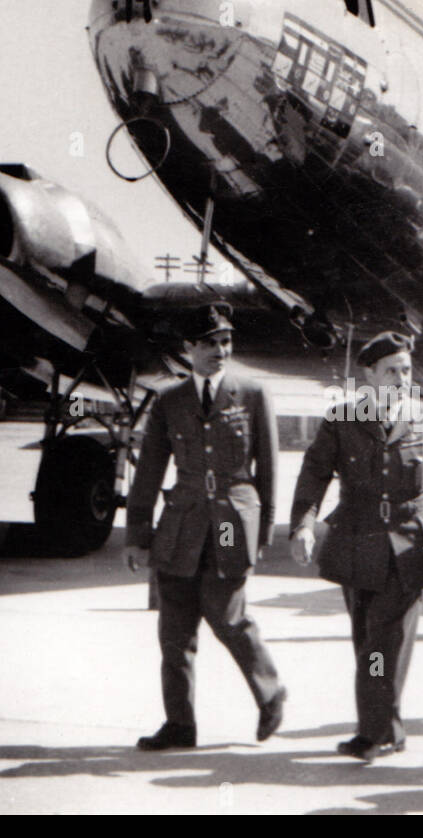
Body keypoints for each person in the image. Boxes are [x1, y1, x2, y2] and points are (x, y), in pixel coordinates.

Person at [124, 302, 287, 751]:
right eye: (210, 343)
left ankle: (271, 693)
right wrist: (137, 535)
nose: (220, 350)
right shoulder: (169, 401)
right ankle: (180, 725)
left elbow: (269, 468)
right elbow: (149, 472)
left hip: (231, 525)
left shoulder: (251, 394)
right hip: (180, 527)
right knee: (174, 634)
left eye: (226, 341)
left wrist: (264, 530)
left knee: (227, 616)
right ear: (189, 348)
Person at [290, 332, 423, 762]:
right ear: (369, 375)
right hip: (356, 542)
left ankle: (373, 733)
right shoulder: (343, 418)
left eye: (406, 370)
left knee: (383, 640)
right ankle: (389, 727)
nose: (401, 379)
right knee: (367, 640)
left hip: (408, 545)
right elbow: (314, 474)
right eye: (391, 371)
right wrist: (304, 525)